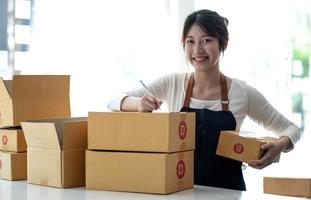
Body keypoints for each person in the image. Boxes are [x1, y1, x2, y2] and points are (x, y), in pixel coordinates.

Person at [107, 9, 301, 191]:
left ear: (222, 43)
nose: (197, 50)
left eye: (206, 40)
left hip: (228, 193)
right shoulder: (172, 83)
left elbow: (291, 129)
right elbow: (113, 101)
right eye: (190, 41)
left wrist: (279, 146)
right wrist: (139, 104)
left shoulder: (241, 92)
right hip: (180, 192)